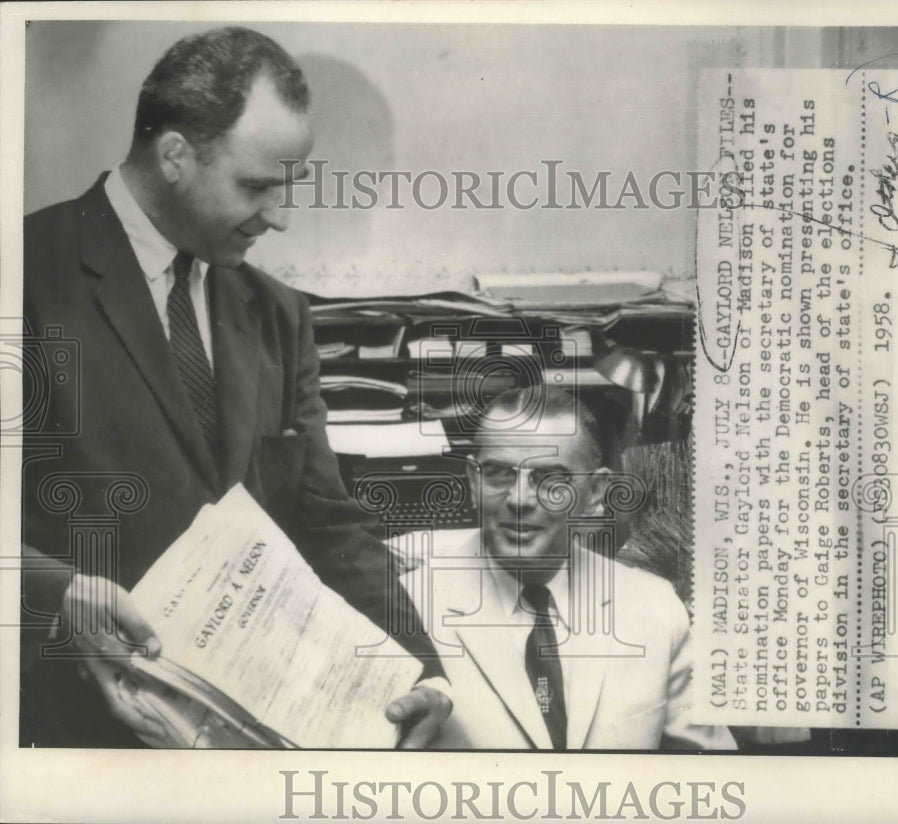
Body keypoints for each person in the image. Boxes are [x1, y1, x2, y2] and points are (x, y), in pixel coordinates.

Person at [20, 26, 450, 748]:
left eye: (287, 186)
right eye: (256, 185)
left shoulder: (278, 314)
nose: (280, 215)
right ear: (175, 156)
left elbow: (328, 523)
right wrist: (55, 594)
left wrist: (424, 674)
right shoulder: (24, 275)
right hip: (62, 735)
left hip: (245, 743)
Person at [398, 387, 736, 750]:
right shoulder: (407, 608)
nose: (519, 499)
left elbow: (712, 770)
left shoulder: (654, 607)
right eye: (498, 474)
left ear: (594, 492)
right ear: (473, 481)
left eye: (549, 479)